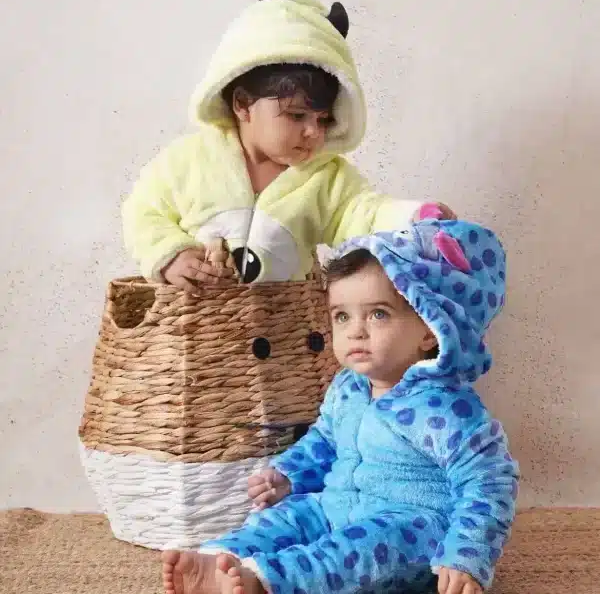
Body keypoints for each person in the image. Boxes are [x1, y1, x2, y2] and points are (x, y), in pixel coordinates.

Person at [161, 218, 520, 594]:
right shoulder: (348, 387)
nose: (355, 331)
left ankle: (264, 581)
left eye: (378, 314)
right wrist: (288, 475)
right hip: (336, 506)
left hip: (411, 532)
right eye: (342, 316)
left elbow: (489, 481)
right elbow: (325, 441)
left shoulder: (446, 408)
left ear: (431, 328)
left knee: (352, 552)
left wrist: (465, 555)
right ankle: (222, 558)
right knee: (287, 517)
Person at [121, 0, 455, 291]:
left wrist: (413, 217)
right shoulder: (188, 161)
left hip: (285, 330)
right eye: (296, 116)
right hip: (198, 330)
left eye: (323, 119)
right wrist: (170, 255)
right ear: (243, 104)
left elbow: (364, 213)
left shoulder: (324, 177)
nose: (313, 132)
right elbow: (143, 212)